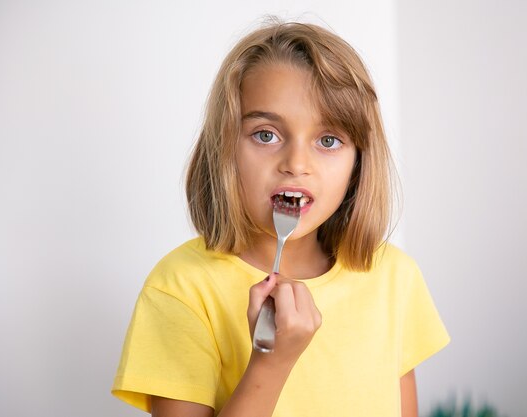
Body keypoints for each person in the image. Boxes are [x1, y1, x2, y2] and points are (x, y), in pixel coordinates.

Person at [112, 19, 449, 417]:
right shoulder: (182, 288)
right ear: (224, 148)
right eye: (266, 134)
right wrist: (270, 361)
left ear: (359, 163)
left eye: (328, 140)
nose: (296, 164)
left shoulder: (394, 277)